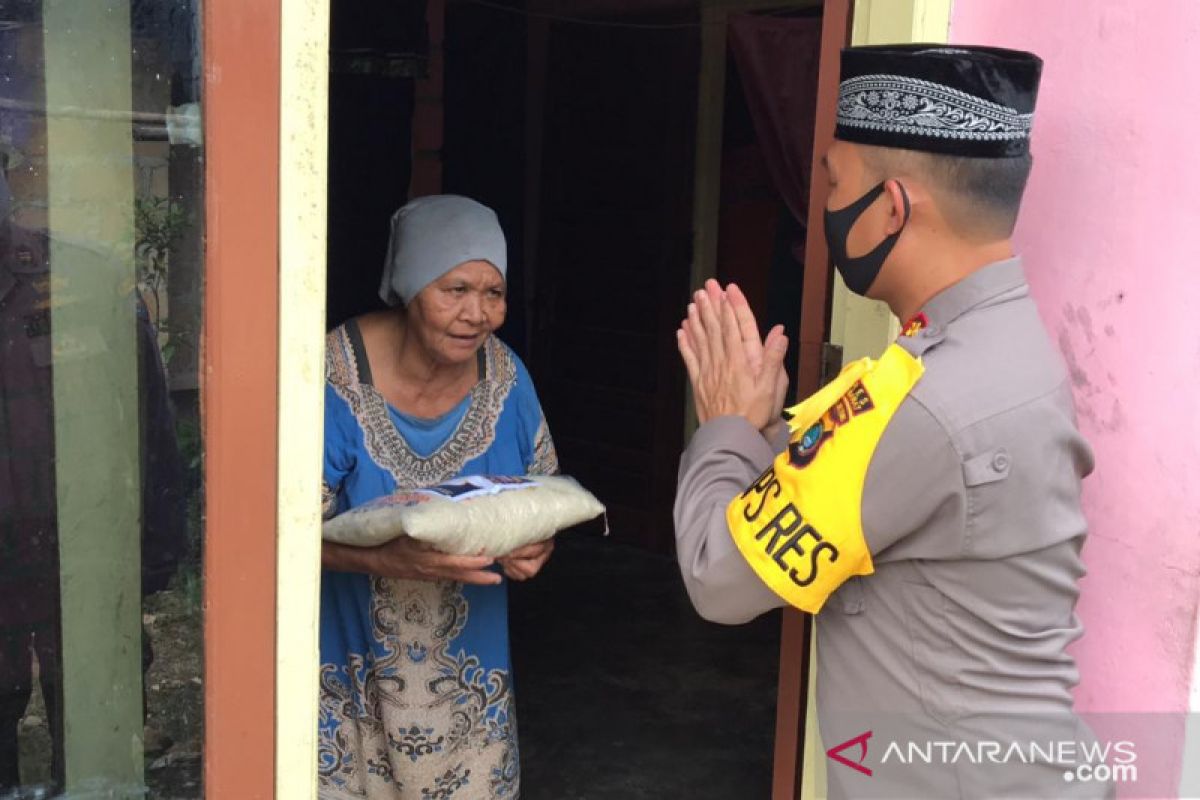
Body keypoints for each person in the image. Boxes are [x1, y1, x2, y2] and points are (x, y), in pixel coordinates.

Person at [673, 45, 1103, 797]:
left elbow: (719, 577)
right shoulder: (994, 347)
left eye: (835, 184)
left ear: (893, 208)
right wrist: (770, 435)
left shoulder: (927, 402)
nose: (824, 210)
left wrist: (724, 425)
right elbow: (855, 469)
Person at [319, 195, 558, 799]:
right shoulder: (333, 377)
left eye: (493, 293)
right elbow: (270, 532)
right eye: (454, 289)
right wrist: (382, 560)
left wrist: (538, 541)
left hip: (467, 704)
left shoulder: (506, 377)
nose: (477, 314)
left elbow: (540, 494)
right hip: (350, 689)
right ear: (409, 285)